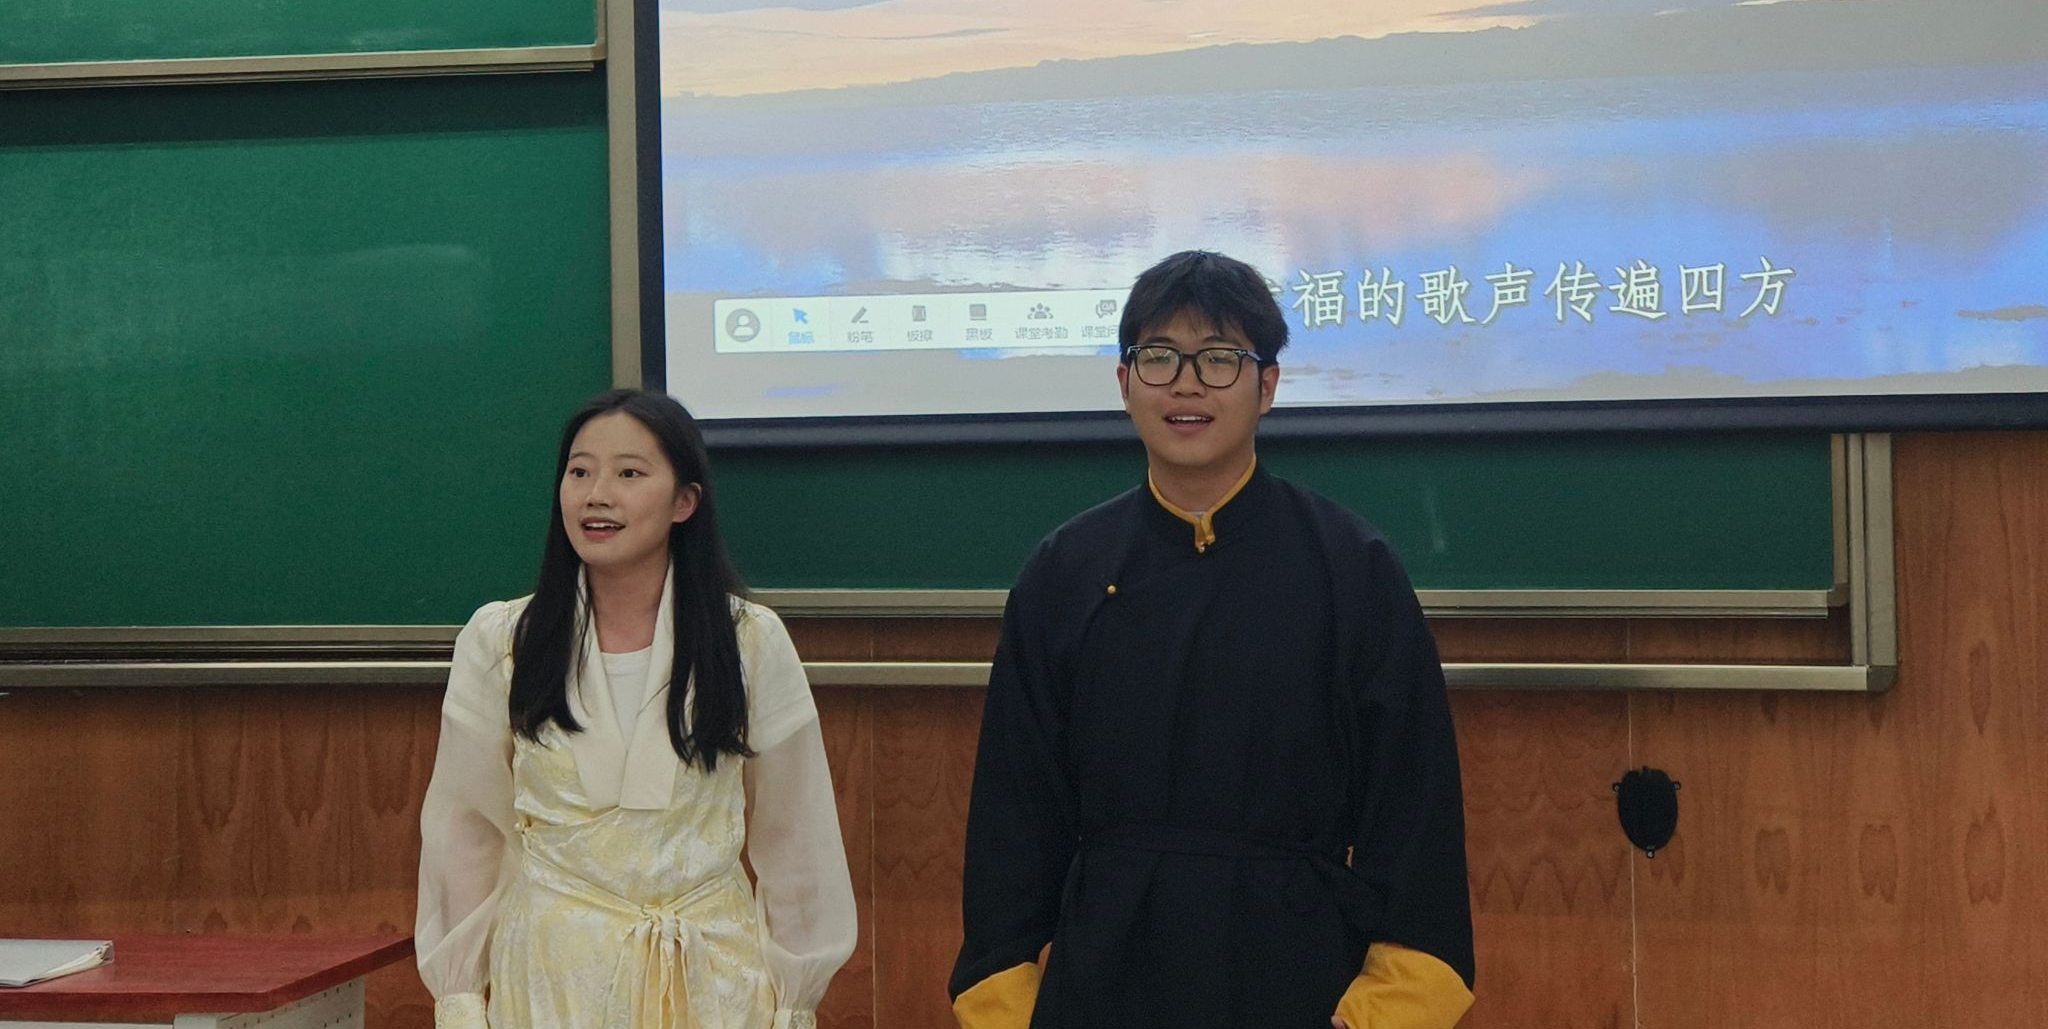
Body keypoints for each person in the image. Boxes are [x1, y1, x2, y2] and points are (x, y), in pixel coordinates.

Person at [950, 251, 1475, 1029]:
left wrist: (1379, 1012)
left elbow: (1415, 814)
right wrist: (1008, 1005)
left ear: (1268, 385)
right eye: (1160, 357)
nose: (1187, 384)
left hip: (1299, 979)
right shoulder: (1064, 574)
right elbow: (1011, 819)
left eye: (1220, 358)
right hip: (1104, 976)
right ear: (1125, 381)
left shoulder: (1351, 569)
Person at [416, 389, 856, 1029]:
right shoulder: (502, 639)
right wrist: (459, 997)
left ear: (684, 502)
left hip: (712, 977)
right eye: (579, 471)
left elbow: (796, 834)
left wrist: (794, 1002)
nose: (596, 495)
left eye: (628, 473)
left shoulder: (748, 640)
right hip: (552, 978)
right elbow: (465, 829)